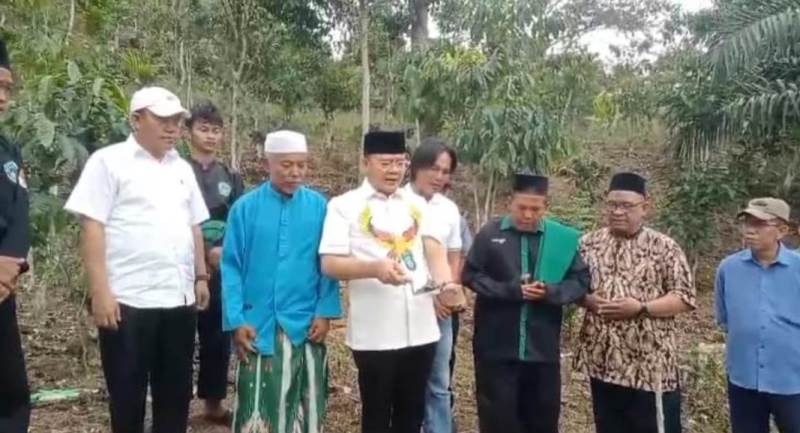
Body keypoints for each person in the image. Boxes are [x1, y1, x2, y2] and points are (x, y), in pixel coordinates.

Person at [65, 86, 211, 433]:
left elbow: (193, 225)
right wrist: (100, 292)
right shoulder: (109, 161)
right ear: (136, 119)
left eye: (177, 121)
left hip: (178, 300)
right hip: (129, 301)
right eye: (162, 119)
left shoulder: (182, 168)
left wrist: (201, 276)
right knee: (127, 396)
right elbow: (92, 227)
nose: (172, 128)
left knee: (174, 395)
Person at [318, 131, 460, 433]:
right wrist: (374, 269)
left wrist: (446, 284)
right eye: (386, 163)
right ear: (365, 162)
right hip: (375, 333)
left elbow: (434, 248)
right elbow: (330, 263)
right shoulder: (344, 206)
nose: (394, 170)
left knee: (411, 414)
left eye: (399, 163)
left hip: (421, 329)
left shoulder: (417, 204)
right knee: (377, 414)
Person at [222, 130, 341, 433]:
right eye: (286, 165)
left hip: (306, 321)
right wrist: (236, 319)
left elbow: (327, 263)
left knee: (306, 403)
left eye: (301, 165)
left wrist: (325, 311)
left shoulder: (319, 207)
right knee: (257, 402)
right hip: (258, 322)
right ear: (268, 163)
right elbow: (231, 267)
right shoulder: (245, 209)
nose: (295, 172)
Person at [462, 173, 589, 433]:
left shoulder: (559, 240)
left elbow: (580, 281)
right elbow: (471, 275)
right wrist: (511, 291)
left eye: (535, 209)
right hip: (496, 348)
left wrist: (550, 292)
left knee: (541, 419)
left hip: (542, 350)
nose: (528, 215)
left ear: (546, 206)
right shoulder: (490, 234)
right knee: (498, 420)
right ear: (510, 202)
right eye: (522, 208)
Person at [575, 172, 696, 433]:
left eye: (627, 206)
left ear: (645, 207)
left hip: (649, 368)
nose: (618, 211)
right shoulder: (588, 243)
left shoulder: (664, 247)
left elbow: (684, 297)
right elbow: (572, 287)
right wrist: (587, 300)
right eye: (612, 204)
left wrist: (642, 307)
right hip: (602, 363)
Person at [715, 198, 800, 433]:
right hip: (744, 381)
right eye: (747, 222)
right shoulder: (728, 268)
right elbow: (725, 319)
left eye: (760, 224)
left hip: (793, 382)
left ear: (782, 230)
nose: (750, 230)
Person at [185, 101, 244, 424]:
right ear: (189, 131)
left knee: (218, 336)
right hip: (183, 264)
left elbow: (239, 217)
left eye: (216, 130)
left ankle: (213, 403)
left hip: (222, 265)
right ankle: (175, 403)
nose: (210, 136)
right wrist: (202, 251)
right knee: (179, 337)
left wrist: (222, 249)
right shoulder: (178, 170)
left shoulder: (230, 176)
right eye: (203, 129)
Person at [405, 138, 463, 433]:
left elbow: (454, 256)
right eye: (434, 168)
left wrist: (447, 293)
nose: (440, 177)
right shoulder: (396, 202)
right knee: (405, 382)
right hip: (404, 307)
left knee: (439, 382)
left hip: (441, 312)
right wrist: (430, 294)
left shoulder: (448, 209)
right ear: (415, 167)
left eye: (446, 171)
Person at [0, 36, 33, 433]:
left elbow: (20, 209)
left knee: (10, 388)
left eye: (7, 88)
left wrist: (9, 263)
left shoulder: (9, 150)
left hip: (3, 284)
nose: (3, 97)